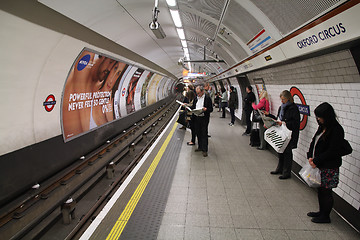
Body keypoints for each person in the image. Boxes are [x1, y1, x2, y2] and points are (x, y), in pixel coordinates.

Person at [306, 102, 345, 223]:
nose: (318, 119)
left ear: (327, 116)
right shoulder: (322, 127)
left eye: (320, 116)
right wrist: (310, 156)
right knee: (320, 189)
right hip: (319, 164)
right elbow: (315, 140)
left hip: (329, 166)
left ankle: (326, 216)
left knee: (326, 190)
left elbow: (332, 151)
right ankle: (321, 211)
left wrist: (316, 160)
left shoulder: (337, 130)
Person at [266, 90, 300, 179]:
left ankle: (287, 172)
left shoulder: (293, 108)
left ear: (288, 98)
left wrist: (284, 123)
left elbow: (295, 123)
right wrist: (271, 118)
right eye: (281, 99)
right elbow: (279, 118)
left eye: (283, 99)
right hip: (281, 132)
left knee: (287, 153)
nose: (282, 101)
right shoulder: (282, 107)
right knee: (280, 150)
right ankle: (279, 169)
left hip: (289, 133)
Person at [191, 86, 213, 157]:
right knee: (198, 133)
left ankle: (205, 150)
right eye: (197, 93)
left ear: (202, 91)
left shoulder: (207, 98)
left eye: (199, 93)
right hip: (197, 118)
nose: (198, 95)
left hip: (204, 118)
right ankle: (200, 147)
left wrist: (206, 109)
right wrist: (187, 106)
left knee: (204, 133)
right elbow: (193, 107)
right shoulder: (196, 98)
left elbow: (211, 109)